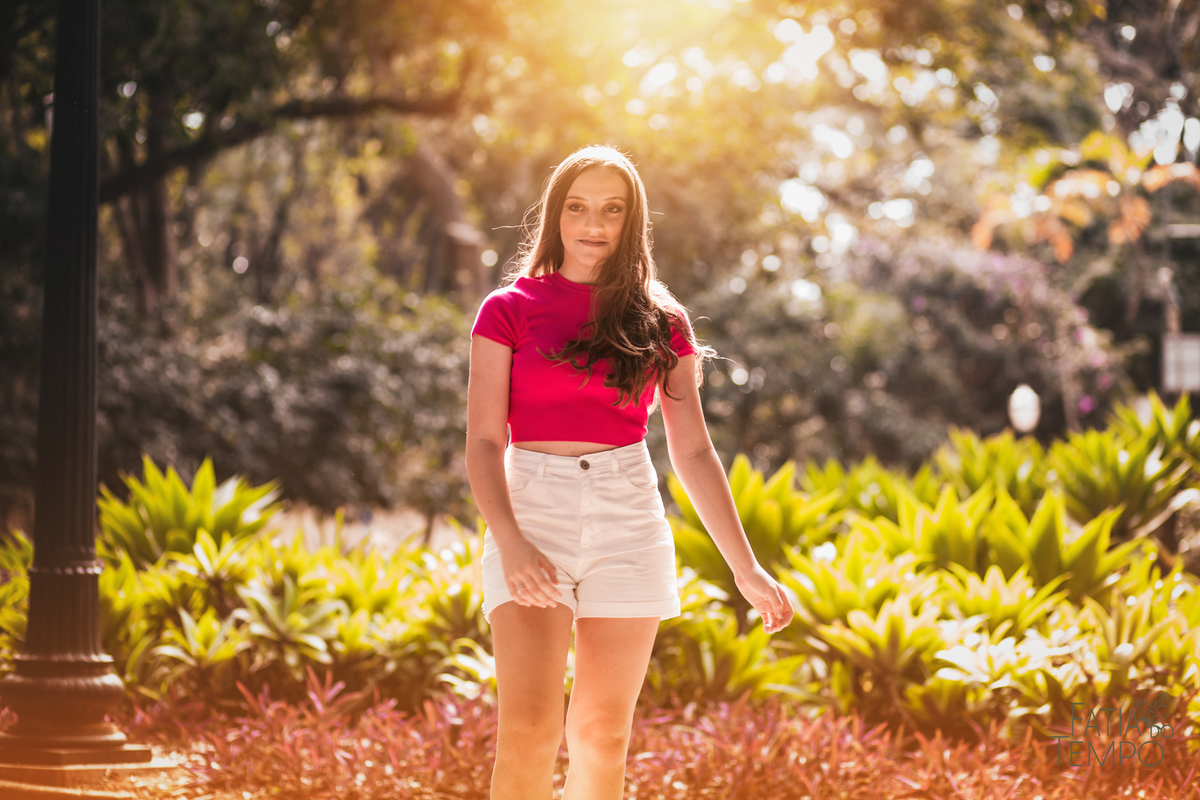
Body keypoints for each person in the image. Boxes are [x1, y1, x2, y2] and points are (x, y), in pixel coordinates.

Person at [465, 145, 795, 800]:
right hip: (532, 511)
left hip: (628, 515)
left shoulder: (661, 321)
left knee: (602, 733)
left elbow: (693, 452)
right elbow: (482, 441)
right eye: (578, 207)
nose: (593, 224)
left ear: (632, 220)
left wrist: (745, 567)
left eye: (611, 210)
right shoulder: (508, 308)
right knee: (529, 729)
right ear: (556, 215)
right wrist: (510, 541)